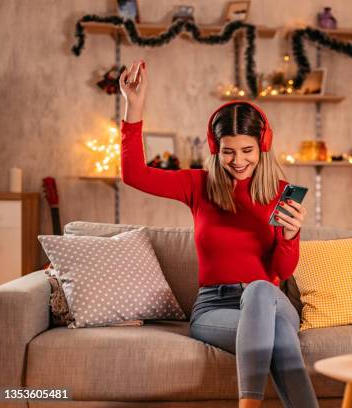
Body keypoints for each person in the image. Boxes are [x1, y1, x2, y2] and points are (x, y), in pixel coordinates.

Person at [118, 60, 319, 408]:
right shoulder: (197, 186)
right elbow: (134, 174)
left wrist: (290, 236)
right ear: (215, 148)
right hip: (214, 307)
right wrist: (133, 107)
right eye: (228, 151)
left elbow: (283, 273)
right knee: (281, 336)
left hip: (271, 301)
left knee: (260, 289)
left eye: (247, 151)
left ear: (262, 147)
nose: (238, 161)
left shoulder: (280, 192)